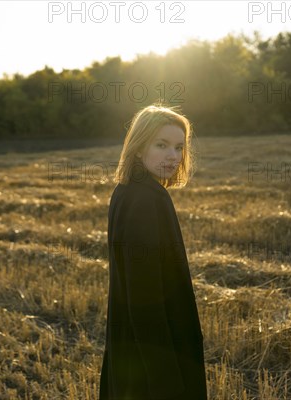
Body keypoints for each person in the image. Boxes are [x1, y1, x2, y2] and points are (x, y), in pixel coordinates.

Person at [99, 103, 207, 399]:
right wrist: (165, 377)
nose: (172, 156)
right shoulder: (147, 200)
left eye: (178, 147)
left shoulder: (127, 191)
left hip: (133, 347)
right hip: (153, 358)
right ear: (138, 147)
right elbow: (145, 298)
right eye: (161, 145)